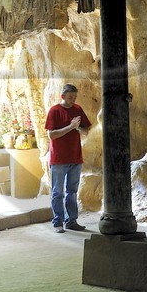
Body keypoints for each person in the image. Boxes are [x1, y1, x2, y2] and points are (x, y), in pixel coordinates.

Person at [44, 84, 92, 232]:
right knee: (58, 192)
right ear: (63, 96)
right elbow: (51, 135)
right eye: (70, 97)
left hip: (75, 158)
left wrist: (78, 128)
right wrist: (71, 127)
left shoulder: (77, 109)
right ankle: (58, 222)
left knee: (72, 192)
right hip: (59, 159)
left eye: (75, 97)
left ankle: (72, 221)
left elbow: (86, 131)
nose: (73, 100)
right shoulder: (54, 111)